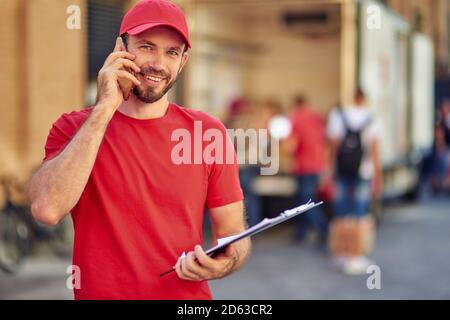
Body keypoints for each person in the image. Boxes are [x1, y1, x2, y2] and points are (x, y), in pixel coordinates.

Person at [26, 0, 250, 299]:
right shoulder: (73, 129)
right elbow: (46, 209)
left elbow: (234, 235)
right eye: (146, 46)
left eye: (171, 52)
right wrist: (105, 107)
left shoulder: (207, 133)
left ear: (183, 61)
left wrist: (223, 264)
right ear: (120, 46)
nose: (158, 63)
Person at [326, 88, 382, 275]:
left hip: (341, 171)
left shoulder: (338, 115)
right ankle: (356, 256)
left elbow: (333, 146)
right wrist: (377, 177)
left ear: (353, 98)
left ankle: (341, 253)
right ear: (364, 99)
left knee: (342, 213)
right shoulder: (371, 118)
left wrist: (328, 171)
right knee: (359, 213)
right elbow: (374, 150)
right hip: (363, 172)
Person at [286, 96, 328, 246]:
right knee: (303, 199)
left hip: (304, 165)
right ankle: (301, 232)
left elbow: (292, 145)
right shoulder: (316, 117)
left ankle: (324, 230)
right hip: (317, 164)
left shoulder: (295, 118)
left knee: (305, 201)